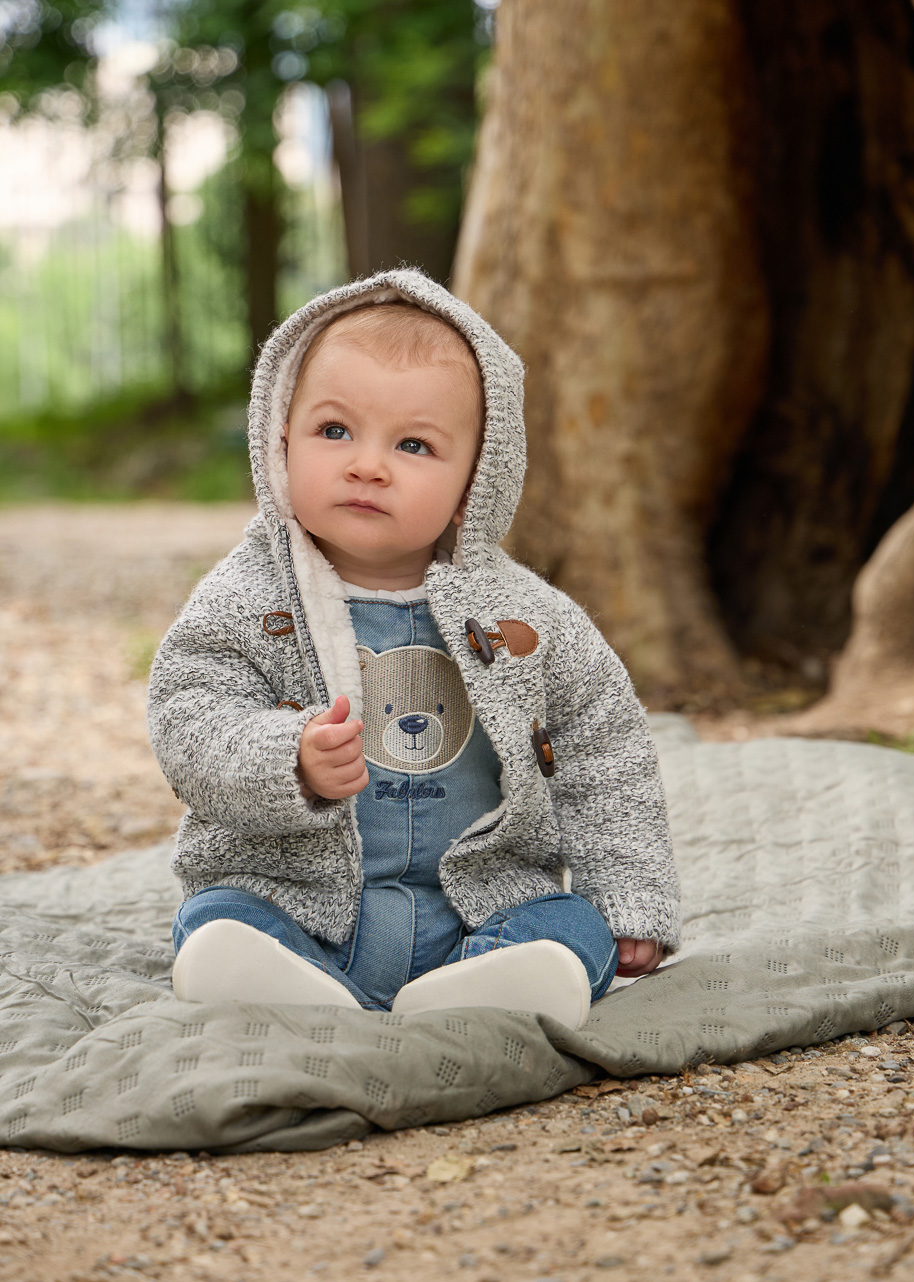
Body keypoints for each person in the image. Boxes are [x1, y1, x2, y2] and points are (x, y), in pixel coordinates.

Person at [148, 269, 680, 1031]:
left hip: (482, 907)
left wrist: (629, 894)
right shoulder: (247, 596)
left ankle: (493, 983)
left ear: (475, 481)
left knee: (571, 929)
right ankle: (274, 978)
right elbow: (187, 718)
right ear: (281, 441)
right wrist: (285, 755)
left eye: (415, 444)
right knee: (221, 917)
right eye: (335, 431)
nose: (368, 464)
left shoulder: (527, 615)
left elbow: (605, 749)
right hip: (297, 898)